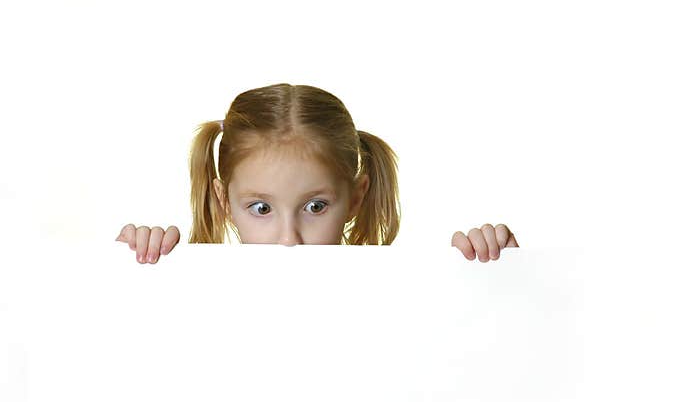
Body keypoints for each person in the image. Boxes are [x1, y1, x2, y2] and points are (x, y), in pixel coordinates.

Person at [116, 82, 519, 263]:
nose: (289, 240)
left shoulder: (393, 294)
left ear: (356, 196)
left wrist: (500, 273)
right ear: (224, 202)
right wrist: (133, 263)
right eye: (260, 208)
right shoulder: (195, 294)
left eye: (314, 206)